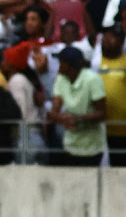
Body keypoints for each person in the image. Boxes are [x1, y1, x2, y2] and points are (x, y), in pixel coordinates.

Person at [48, 45, 107, 166]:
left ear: (68, 65)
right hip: (70, 145)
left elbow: (102, 113)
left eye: (61, 62)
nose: (58, 65)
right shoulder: (61, 78)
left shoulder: (92, 79)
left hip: (92, 147)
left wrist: (78, 118)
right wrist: (62, 118)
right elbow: (54, 111)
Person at [97, 24, 126, 165]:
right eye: (106, 35)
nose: (107, 39)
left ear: (121, 42)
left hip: (123, 129)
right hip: (100, 129)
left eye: (113, 36)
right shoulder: (94, 61)